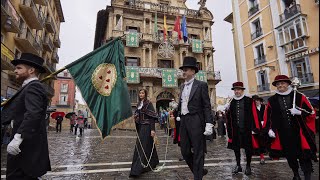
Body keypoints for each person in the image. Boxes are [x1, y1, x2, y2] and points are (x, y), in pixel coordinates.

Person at [1, 53, 51, 179]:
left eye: (19, 68)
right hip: (24, 146)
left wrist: (18, 138)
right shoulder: (29, 87)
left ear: (31, 70)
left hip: (25, 147)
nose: (15, 70)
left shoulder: (33, 87)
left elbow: (33, 114)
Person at [263, 75, 317, 180]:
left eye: (283, 83)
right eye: (278, 84)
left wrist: (300, 112)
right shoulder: (272, 100)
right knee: (290, 155)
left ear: (288, 84)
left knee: (304, 155)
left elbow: (312, 112)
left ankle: (307, 175)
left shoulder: (300, 96)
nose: (280, 85)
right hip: (283, 133)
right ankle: (296, 174)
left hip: (299, 132)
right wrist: (269, 129)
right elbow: (268, 117)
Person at [176, 56, 214, 180]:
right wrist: (177, 114)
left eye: (186, 69)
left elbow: (206, 106)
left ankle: (197, 177)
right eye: (183, 69)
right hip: (184, 120)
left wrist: (209, 123)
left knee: (198, 151)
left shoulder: (201, 85)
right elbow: (182, 102)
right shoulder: (182, 86)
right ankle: (199, 170)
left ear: (193, 71)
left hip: (196, 120)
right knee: (185, 151)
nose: (184, 72)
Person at [226, 82, 259, 176]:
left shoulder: (249, 100)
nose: (237, 91)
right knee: (236, 148)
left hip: (247, 129)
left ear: (242, 90)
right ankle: (238, 165)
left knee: (248, 149)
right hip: (235, 130)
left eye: (239, 89)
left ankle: (248, 165)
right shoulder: (232, 102)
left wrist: (255, 127)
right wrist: (229, 130)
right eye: (235, 90)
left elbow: (255, 114)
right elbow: (229, 118)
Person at [129, 89, 159, 178]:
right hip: (141, 127)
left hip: (147, 127)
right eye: (140, 93)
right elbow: (138, 116)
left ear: (145, 94)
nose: (141, 94)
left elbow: (152, 117)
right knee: (148, 145)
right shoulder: (139, 104)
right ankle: (153, 162)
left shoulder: (148, 103)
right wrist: (136, 118)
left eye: (142, 93)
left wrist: (152, 130)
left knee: (141, 146)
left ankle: (137, 169)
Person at [252, 95, 267, 165]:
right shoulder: (252, 109)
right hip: (257, 127)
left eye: (257, 100)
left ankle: (272, 154)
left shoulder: (265, 107)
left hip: (265, 126)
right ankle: (262, 157)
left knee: (268, 140)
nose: (256, 102)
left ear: (260, 101)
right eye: (255, 101)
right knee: (260, 141)